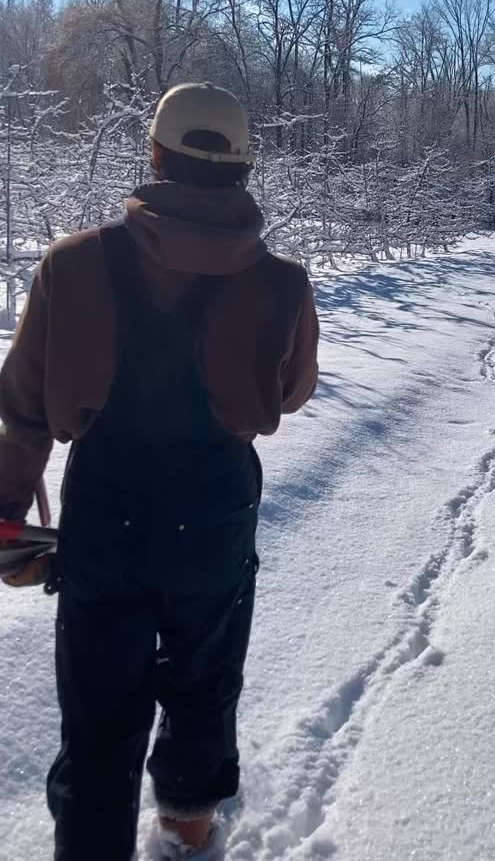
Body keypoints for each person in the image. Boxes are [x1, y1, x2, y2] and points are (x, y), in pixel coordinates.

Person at [0, 83, 319, 861]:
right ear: (244, 167)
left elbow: (22, 407)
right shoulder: (282, 283)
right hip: (214, 514)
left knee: (98, 710)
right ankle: (187, 830)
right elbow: (293, 392)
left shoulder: (72, 264)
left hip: (105, 514)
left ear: (154, 154)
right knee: (205, 680)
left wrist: (6, 510)